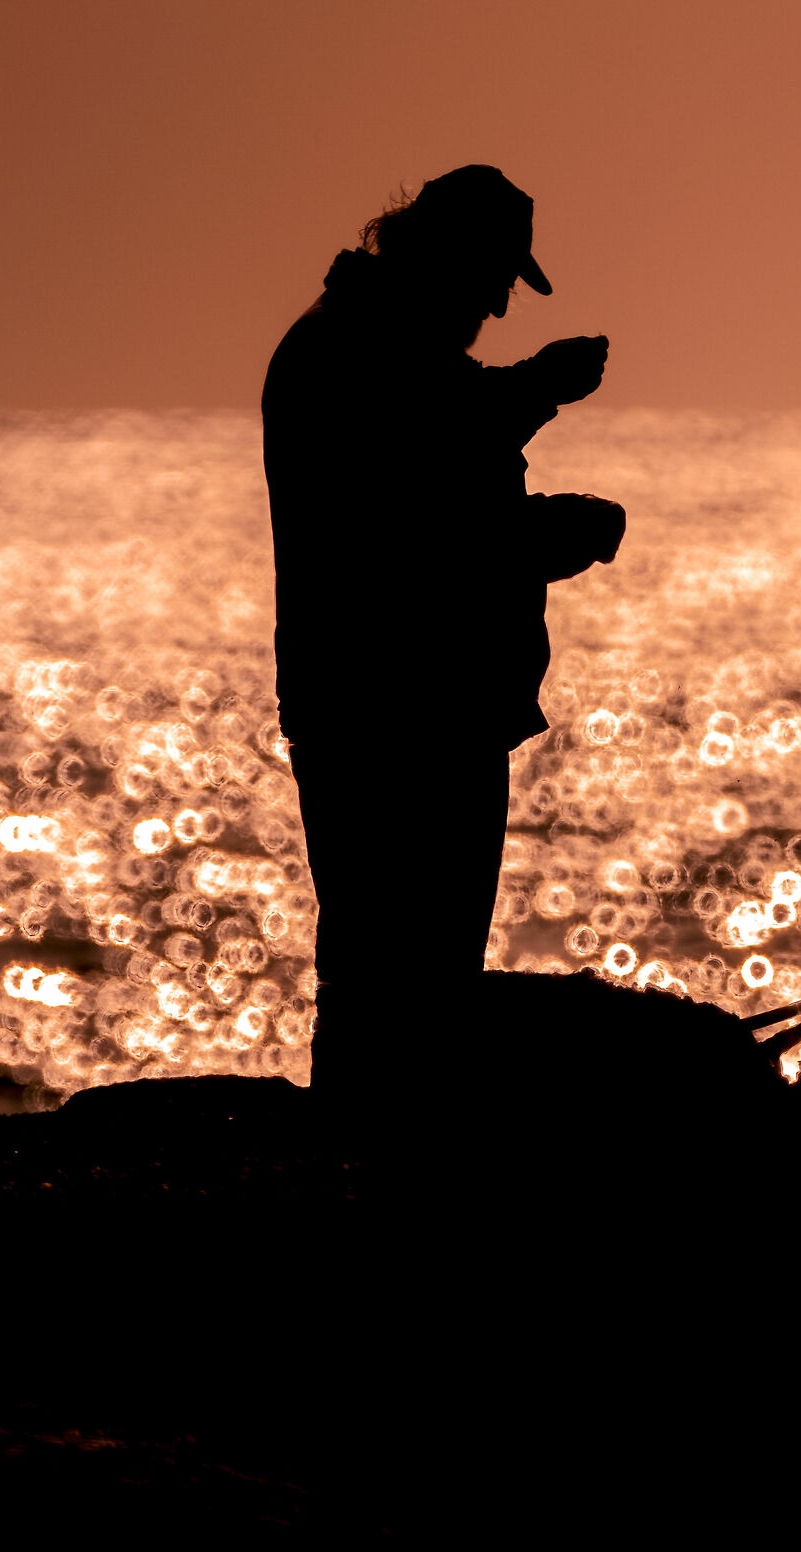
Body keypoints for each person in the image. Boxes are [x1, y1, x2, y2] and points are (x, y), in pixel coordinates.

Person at [262, 165, 627, 1127]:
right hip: (401, 711)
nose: (500, 302)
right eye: (495, 278)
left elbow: (442, 454)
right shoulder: (361, 354)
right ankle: (374, 1151)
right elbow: (414, 530)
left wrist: (538, 406)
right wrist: (556, 528)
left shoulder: (368, 345)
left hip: (397, 703)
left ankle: (367, 1145)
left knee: (389, 967)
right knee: (401, 968)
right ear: (446, 261)